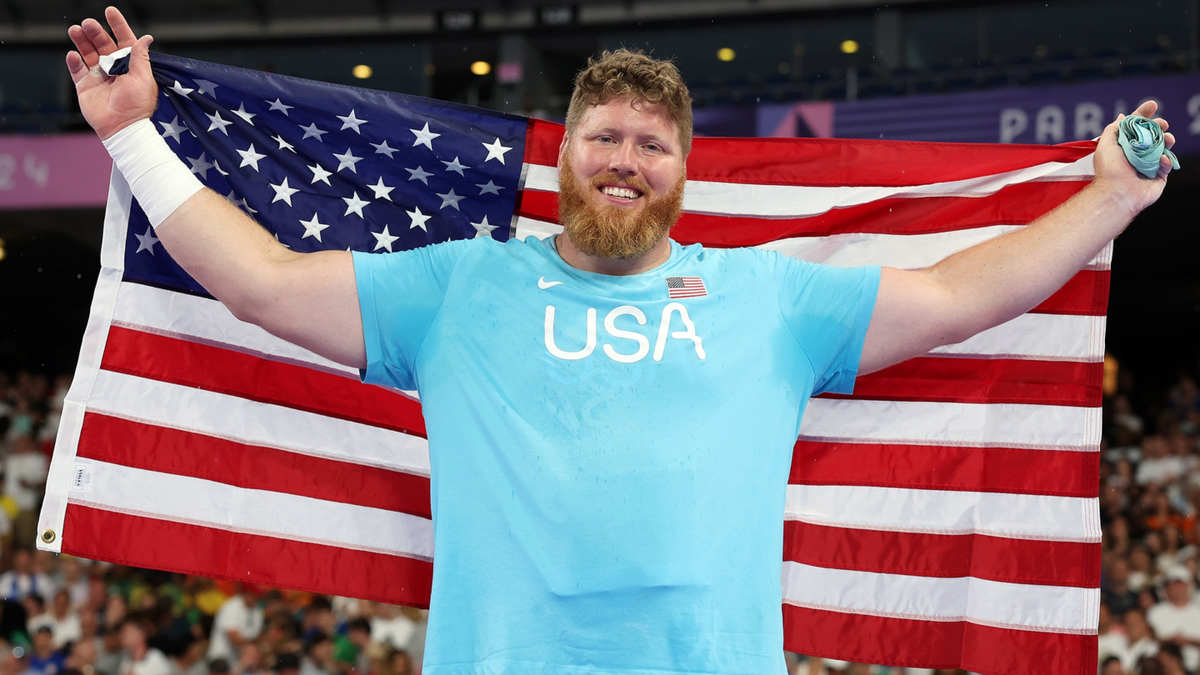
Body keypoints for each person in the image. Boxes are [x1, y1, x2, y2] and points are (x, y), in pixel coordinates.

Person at [65, 7, 1177, 675]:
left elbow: (954, 294)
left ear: (684, 174)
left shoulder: (770, 300)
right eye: (605, 135)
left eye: (652, 143)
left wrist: (1106, 205)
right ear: (568, 159)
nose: (626, 158)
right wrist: (133, 142)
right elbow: (261, 284)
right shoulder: (460, 288)